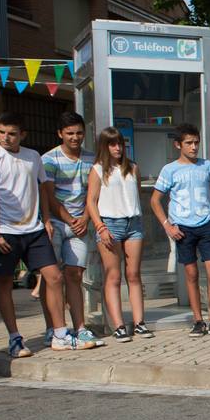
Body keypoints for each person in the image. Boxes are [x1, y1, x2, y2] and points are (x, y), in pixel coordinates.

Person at [0, 112, 87, 357]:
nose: (6, 138)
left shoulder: (33, 156)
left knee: (55, 277)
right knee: (4, 283)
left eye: (12, 133)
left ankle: (59, 334)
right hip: (5, 232)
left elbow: (44, 188)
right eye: (1, 132)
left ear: (22, 135)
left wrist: (46, 218)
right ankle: (15, 338)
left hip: (34, 230)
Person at [151, 124, 210, 337]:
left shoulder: (207, 166)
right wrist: (167, 225)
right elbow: (155, 200)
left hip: (206, 224)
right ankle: (198, 320)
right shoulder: (170, 169)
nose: (194, 147)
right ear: (178, 144)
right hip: (182, 227)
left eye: (196, 142)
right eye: (189, 143)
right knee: (191, 273)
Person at [86, 127, 151, 342]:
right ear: (104, 146)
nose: (118, 148)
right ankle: (118, 325)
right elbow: (91, 201)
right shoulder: (97, 169)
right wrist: (100, 227)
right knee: (113, 276)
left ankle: (140, 322)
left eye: (120, 143)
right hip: (109, 223)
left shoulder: (132, 167)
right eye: (112, 144)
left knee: (133, 274)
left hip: (133, 221)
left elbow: (137, 192)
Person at [42, 112, 101, 348]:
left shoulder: (92, 159)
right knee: (52, 279)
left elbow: (94, 193)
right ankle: (53, 328)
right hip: (57, 224)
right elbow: (48, 194)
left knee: (75, 275)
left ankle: (80, 328)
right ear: (60, 134)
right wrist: (69, 219)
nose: (75, 137)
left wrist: (85, 218)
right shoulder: (49, 159)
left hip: (81, 225)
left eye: (78, 133)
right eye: (69, 133)